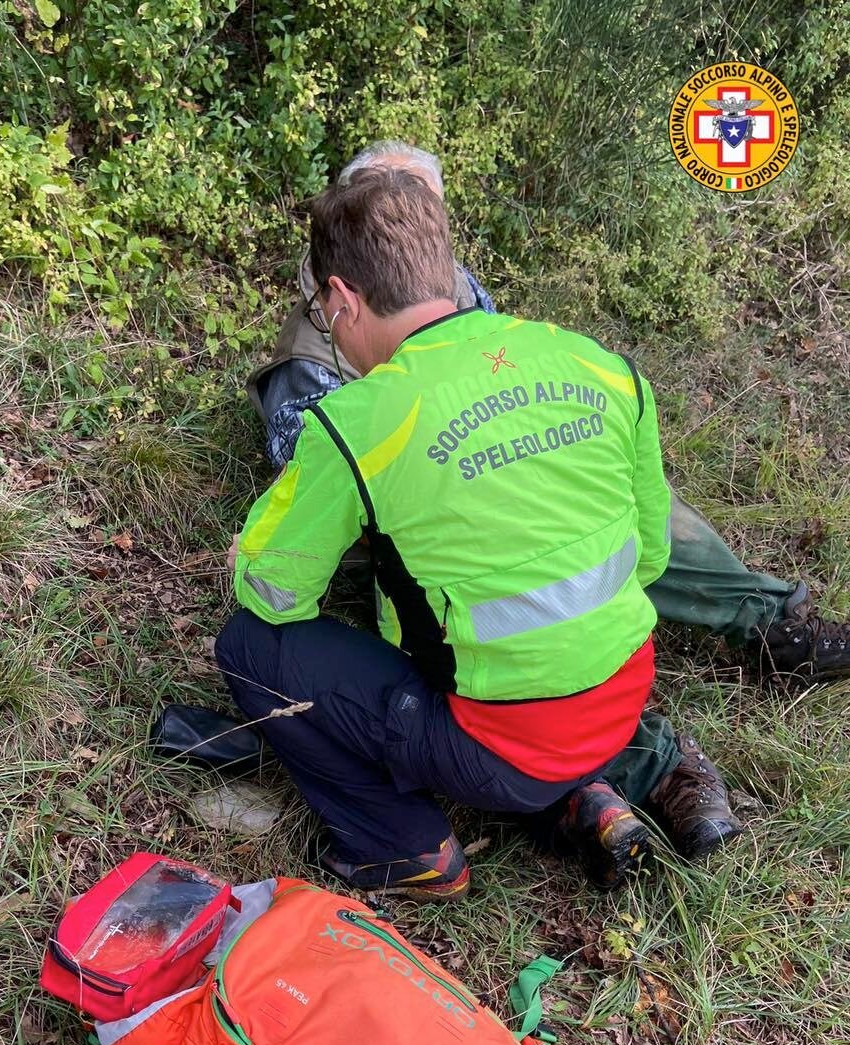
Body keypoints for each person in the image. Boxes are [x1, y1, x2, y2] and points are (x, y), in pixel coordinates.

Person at [216, 167, 734, 900]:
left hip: (500, 747)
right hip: (621, 702)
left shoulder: (359, 419)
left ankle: (402, 848)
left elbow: (276, 594)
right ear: (446, 273)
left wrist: (260, 544)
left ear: (340, 299)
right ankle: (588, 793)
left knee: (248, 646)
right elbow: (649, 555)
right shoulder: (601, 365)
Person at [247, 141, 849, 688]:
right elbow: (317, 474)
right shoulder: (314, 349)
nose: (419, 238)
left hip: (483, 469)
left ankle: (772, 625)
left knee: (606, 494)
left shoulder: (449, 283)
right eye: (397, 216)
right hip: (417, 514)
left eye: (427, 217)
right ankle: (630, 745)